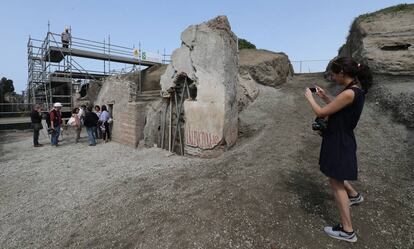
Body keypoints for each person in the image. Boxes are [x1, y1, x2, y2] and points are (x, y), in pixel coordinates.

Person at [305, 57, 373, 243]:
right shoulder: (355, 89)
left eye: (334, 74)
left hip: (339, 140)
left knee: (335, 182)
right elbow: (341, 107)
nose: (333, 77)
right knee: (336, 174)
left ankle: (347, 230)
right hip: (342, 138)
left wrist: (310, 98)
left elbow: (321, 113)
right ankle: (354, 195)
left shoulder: (350, 93)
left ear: (343, 73)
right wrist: (326, 97)